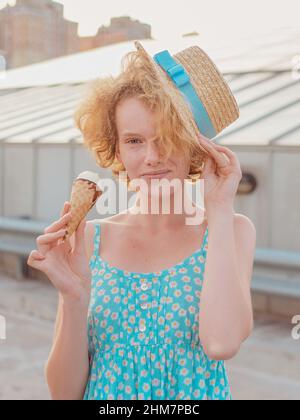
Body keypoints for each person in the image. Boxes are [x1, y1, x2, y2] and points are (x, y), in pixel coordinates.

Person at [27, 41, 256, 400]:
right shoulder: (90, 238)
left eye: (167, 138)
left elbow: (221, 343)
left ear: (195, 147)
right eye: (134, 140)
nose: (152, 156)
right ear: (117, 149)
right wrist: (73, 297)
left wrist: (220, 206)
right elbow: (63, 394)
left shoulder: (231, 230)